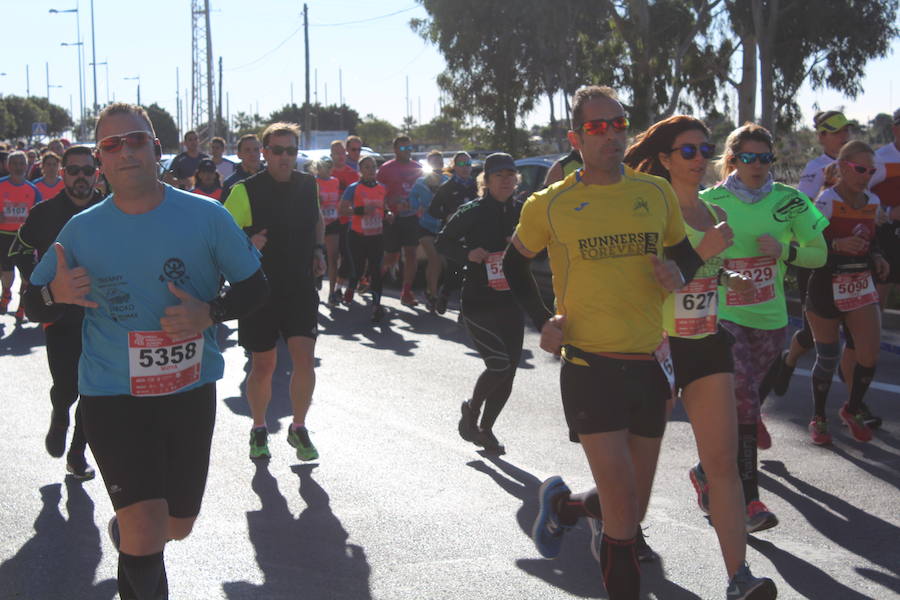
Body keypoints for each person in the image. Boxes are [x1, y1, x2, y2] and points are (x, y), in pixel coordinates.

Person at [25, 102, 268, 600]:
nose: (125, 151)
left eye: (136, 140)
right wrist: (57, 294)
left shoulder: (206, 215)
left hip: (189, 389)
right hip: (111, 393)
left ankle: (130, 535)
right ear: (100, 161)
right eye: (112, 145)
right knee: (145, 527)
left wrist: (210, 313)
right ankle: (135, 538)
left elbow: (256, 287)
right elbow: (33, 299)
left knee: (176, 525)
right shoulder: (82, 229)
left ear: (157, 150)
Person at [508, 85, 702, 599]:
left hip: (649, 362)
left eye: (619, 123)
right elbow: (511, 263)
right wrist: (541, 320)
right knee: (622, 513)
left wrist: (676, 273)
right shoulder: (550, 203)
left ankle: (568, 507)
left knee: (631, 506)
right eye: (597, 126)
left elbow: (688, 256)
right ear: (576, 138)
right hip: (589, 364)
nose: (611, 133)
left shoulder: (654, 193)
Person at [623, 115, 776, 598]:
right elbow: (661, 280)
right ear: (665, 159)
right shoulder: (650, 210)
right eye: (687, 151)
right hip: (659, 344)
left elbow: (703, 273)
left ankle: (739, 577)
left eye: (704, 149)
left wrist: (729, 278)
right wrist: (706, 250)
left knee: (723, 463)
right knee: (636, 466)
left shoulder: (711, 210)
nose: (699, 159)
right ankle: (613, 529)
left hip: (707, 340)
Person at [700, 123, 827, 533]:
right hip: (724, 317)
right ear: (733, 159)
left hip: (771, 320)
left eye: (765, 158)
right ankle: (749, 501)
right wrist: (721, 274)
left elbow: (819, 254)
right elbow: (690, 259)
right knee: (744, 404)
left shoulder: (790, 201)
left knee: (745, 403)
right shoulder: (710, 201)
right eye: (748, 158)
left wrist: (786, 250)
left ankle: (705, 471)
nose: (757, 165)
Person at [224, 122, 325, 462]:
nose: (285, 157)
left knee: (304, 360)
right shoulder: (245, 190)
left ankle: (299, 427)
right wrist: (247, 242)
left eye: (291, 150)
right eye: (277, 150)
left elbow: (317, 220)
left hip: (299, 286)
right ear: (264, 153)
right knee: (264, 365)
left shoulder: (307, 183)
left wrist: (319, 251)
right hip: (260, 290)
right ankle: (258, 427)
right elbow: (220, 238)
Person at [10, 145, 104, 480]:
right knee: (67, 387)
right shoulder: (43, 213)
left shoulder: (111, 210)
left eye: (87, 170)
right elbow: (19, 249)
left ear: (97, 172)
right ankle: (60, 412)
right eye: (73, 170)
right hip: (60, 316)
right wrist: (39, 284)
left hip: (105, 318)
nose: (81, 176)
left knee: (94, 392)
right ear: (61, 173)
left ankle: (77, 454)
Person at [436, 153, 523, 453]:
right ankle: (471, 409)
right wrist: (468, 254)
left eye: (511, 174)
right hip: (478, 300)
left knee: (510, 371)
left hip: (511, 300)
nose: (506, 179)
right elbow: (442, 242)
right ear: (486, 180)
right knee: (498, 365)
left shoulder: (524, 211)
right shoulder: (471, 211)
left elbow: (540, 244)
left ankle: (485, 428)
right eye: (500, 175)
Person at [806, 141, 889, 444]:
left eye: (871, 170)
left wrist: (877, 257)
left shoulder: (873, 201)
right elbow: (806, 245)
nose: (866, 175)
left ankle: (852, 409)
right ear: (842, 167)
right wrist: (836, 245)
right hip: (826, 285)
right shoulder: (826, 201)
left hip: (859, 282)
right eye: (860, 168)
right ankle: (819, 417)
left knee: (869, 353)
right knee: (827, 358)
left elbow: (873, 239)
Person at [772, 110, 852, 398]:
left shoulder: (861, 162)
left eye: (846, 130)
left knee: (855, 328)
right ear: (822, 137)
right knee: (810, 332)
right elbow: (801, 211)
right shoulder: (815, 167)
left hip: (852, 257)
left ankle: (854, 396)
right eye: (837, 131)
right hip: (818, 255)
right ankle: (788, 360)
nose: (844, 136)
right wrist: (826, 188)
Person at [340, 155, 388, 323]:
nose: (370, 170)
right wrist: (361, 211)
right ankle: (351, 287)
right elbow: (342, 210)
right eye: (366, 167)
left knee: (376, 270)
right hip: (357, 235)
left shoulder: (382, 188)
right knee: (358, 268)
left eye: (373, 166)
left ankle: (376, 306)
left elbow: (385, 208)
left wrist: (389, 215)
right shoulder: (353, 188)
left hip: (376, 235)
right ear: (360, 170)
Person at [429, 151, 477, 314]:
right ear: (454, 167)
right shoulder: (447, 187)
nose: (465, 168)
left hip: (474, 234)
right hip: (455, 235)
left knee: (472, 271)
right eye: (461, 164)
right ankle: (445, 293)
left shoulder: (476, 186)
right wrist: (447, 215)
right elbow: (433, 209)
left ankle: (465, 311)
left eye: (468, 164)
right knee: (455, 269)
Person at [377, 136, 422, 307]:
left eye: (409, 148)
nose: (407, 151)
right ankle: (374, 280)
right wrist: (387, 208)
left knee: (411, 254)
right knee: (391, 256)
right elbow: (377, 194)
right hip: (392, 218)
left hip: (411, 217)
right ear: (395, 150)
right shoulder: (386, 169)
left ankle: (406, 291)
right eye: (403, 148)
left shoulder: (418, 168)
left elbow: (424, 193)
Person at [0, 150, 43, 319]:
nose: (18, 167)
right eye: (14, 163)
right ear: (7, 166)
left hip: (24, 238)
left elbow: (39, 214)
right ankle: (6, 293)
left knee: (26, 275)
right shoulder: (1, 185)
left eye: (21, 164)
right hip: (3, 235)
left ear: (27, 166)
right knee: (7, 272)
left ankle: (22, 305)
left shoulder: (32, 189)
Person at [409, 150, 448, 311]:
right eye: (433, 162)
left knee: (436, 262)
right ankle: (433, 295)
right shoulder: (420, 182)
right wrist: (413, 206)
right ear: (428, 164)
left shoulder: (448, 181)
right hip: (425, 225)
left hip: (443, 227)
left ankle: (429, 290)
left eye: (439, 162)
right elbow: (412, 201)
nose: (437, 165)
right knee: (434, 258)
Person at [870, 108, 900, 312]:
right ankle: (873, 340)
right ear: (895, 129)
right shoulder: (880, 158)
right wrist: (888, 213)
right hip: (887, 232)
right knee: (882, 286)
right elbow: (860, 195)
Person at [329, 139, 360, 303]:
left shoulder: (353, 174)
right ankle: (330, 290)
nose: (340, 156)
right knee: (333, 257)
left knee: (348, 256)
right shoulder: (327, 173)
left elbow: (359, 197)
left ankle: (338, 288)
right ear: (331, 155)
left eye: (342, 153)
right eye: (336, 153)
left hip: (348, 220)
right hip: (331, 221)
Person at [313, 158, 343, 308]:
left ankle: (332, 293)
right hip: (317, 223)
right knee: (316, 255)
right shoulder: (313, 182)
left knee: (333, 257)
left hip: (332, 222)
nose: (328, 169)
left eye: (331, 166)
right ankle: (314, 283)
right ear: (318, 168)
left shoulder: (335, 181)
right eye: (325, 166)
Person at [222, 134, 264, 200]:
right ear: (239, 154)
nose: (252, 154)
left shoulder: (272, 177)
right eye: (247, 150)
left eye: (256, 150)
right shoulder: (230, 183)